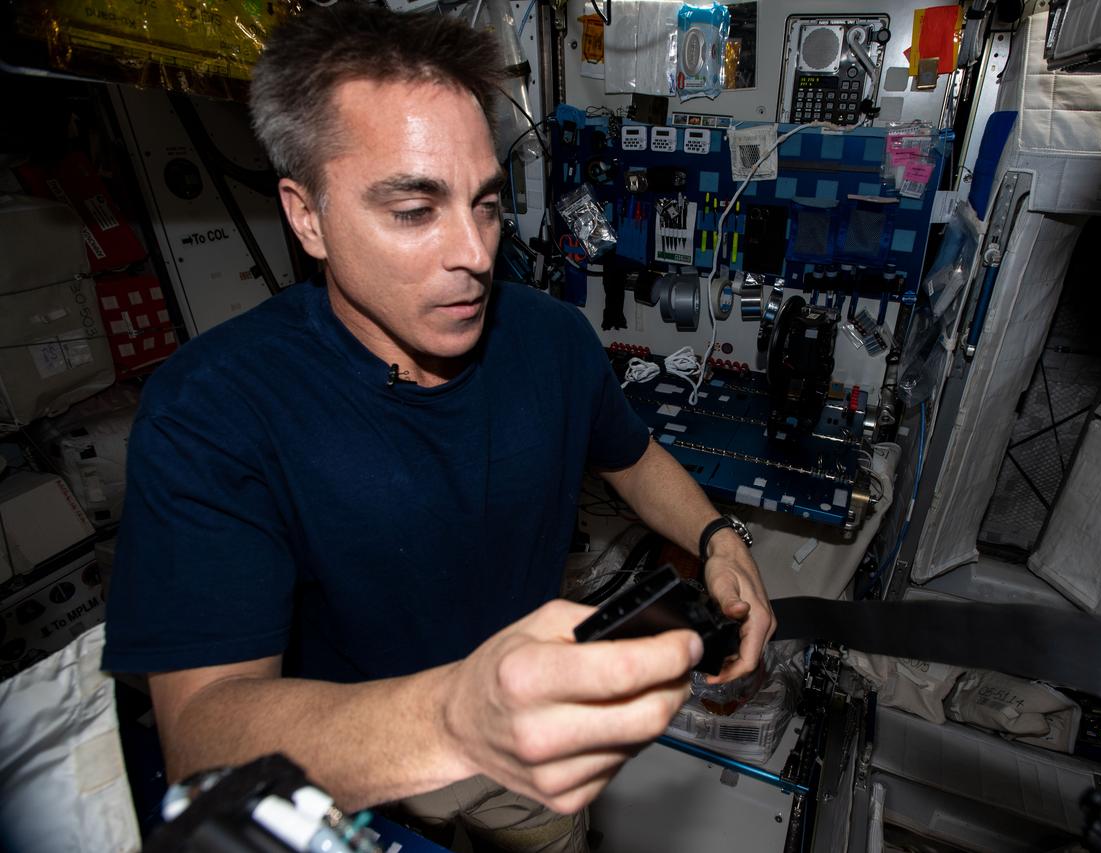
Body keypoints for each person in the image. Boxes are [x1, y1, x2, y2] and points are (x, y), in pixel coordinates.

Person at [102, 5, 774, 852]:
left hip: (525, 767)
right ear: (307, 216)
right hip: (341, 773)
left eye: (485, 204)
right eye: (416, 210)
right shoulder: (211, 408)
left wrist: (717, 537)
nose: (477, 254)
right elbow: (203, 742)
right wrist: (458, 717)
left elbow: (634, 459)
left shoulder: (553, 339)